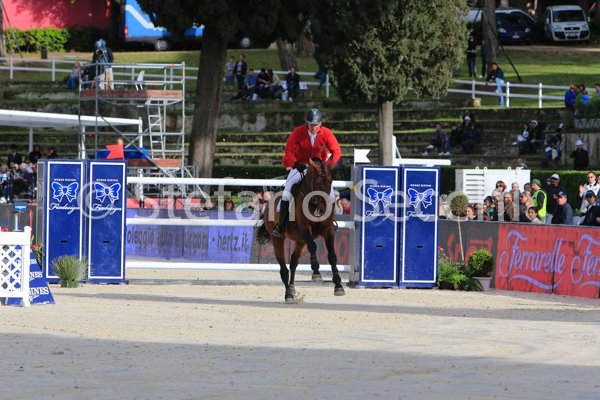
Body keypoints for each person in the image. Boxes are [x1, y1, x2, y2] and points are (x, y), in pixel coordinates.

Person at [272, 109, 341, 238]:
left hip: (319, 168)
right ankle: (280, 226)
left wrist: (327, 166)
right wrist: (295, 163)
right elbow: (289, 150)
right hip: (301, 166)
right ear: (307, 123)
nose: (314, 127)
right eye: (311, 124)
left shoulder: (327, 133)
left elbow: (336, 151)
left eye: (316, 125)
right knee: (287, 191)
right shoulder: (298, 131)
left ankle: (330, 222)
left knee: (331, 196)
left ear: (321, 123)